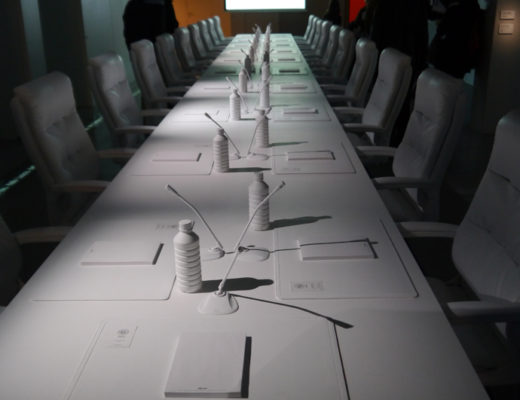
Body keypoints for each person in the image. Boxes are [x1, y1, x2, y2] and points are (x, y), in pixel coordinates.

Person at [429, 0, 483, 78]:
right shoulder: (473, 7)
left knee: (441, 79)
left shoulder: (454, 8)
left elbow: (441, 28)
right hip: (461, 56)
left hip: (446, 53)